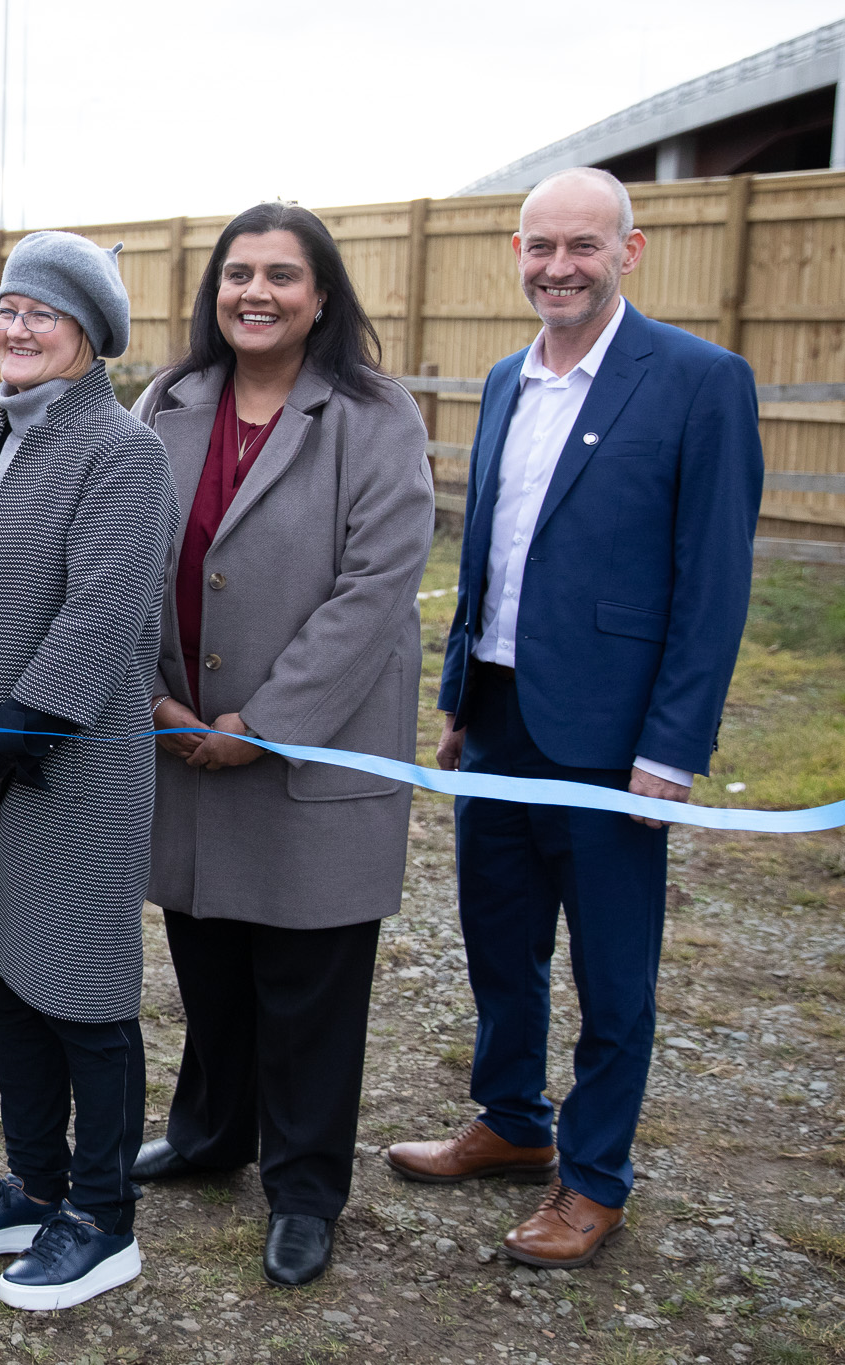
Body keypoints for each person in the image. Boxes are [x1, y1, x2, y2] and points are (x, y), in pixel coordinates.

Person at [389, 168, 764, 1269]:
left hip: (610, 738)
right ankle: (509, 1121)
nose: (556, 266)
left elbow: (712, 585)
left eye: (580, 247)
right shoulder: (506, 379)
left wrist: (670, 750)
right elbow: (490, 556)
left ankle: (591, 1176)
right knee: (498, 946)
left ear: (627, 252)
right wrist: (459, 698)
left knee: (610, 972)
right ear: (516, 252)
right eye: (538, 246)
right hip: (498, 720)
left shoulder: (699, 382)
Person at [124, 202, 435, 1287]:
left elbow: (375, 590)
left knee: (307, 987)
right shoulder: (167, 401)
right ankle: (212, 1136)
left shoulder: (372, 414)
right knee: (205, 962)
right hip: (178, 738)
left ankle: (304, 1187)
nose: (253, 292)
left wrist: (267, 724)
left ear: (321, 296)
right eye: (236, 273)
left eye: (280, 276)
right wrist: (159, 703)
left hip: (308, 752)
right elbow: (118, 553)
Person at [0, 232, 176, 1312]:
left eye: (40, 312)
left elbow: (104, 612)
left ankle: (101, 1222)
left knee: (80, 990)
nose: (15, 327)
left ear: (89, 334)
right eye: (5, 307)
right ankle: (34, 1183)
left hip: (68, 770)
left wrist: (10, 739)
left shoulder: (120, 449)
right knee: (0, 973)